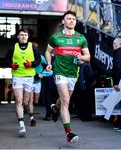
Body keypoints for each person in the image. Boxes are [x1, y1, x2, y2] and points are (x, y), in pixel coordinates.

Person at [45, 10, 91, 143]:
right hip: (59, 72)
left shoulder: (81, 38)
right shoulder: (55, 37)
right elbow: (48, 52)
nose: (71, 21)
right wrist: (49, 63)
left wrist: (81, 56)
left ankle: (55, 108)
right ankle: (69, 133)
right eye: (69, 18)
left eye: (73, 19)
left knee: (63, 100)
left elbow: (88, 57)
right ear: (63, 21)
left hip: (73, 73)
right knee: (66, 100)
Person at [5, 29, 41, 137]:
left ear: (28, 37)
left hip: (29, 77)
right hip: (17, 77)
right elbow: (6, 59)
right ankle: (21, 125)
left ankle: (29, 115)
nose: (23, 36)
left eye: (25, 35)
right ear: (18, 36)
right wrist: (11, 65)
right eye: (21, 35)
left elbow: (38, 60)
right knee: (19, 101)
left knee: (26, 102)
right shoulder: (13, 47)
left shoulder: (33, 47)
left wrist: (32, 64)